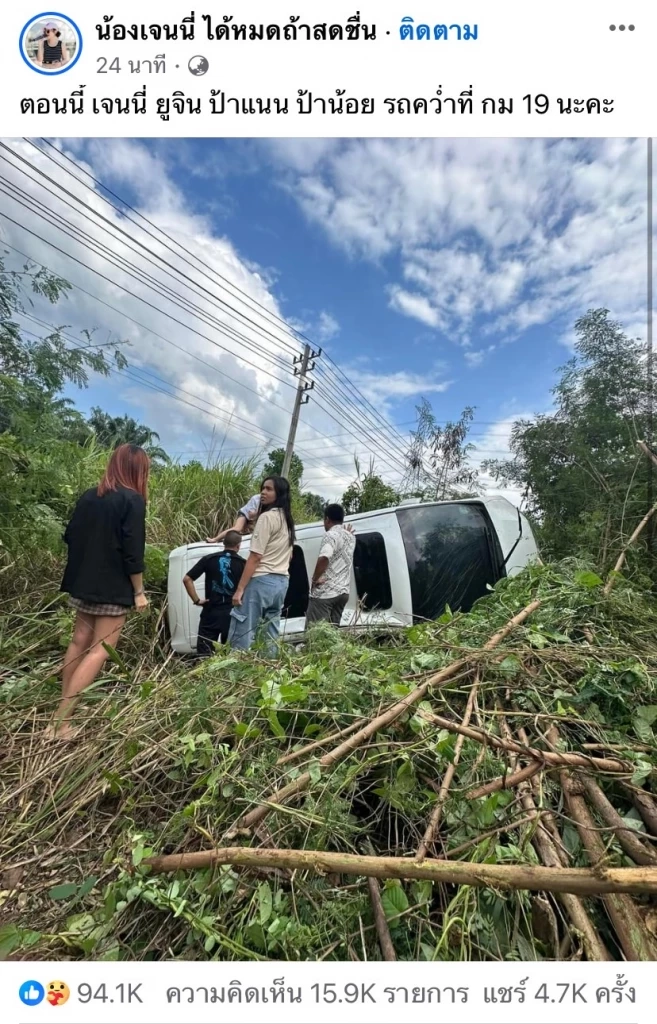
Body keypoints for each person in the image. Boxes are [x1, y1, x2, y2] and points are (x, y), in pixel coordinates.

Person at [48, 444, 150, 741]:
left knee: (79, 641)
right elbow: (133, 552)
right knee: (101, 650)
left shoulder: (90, 495)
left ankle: (61, 713)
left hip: (83, 581)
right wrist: (139, 592)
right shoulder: (132, 500)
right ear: (138, 470)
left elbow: (70, 535)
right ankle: (59, 724)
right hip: (112, 587)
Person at [228, 476, 294, 656]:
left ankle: (234, 669)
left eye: (269, 489)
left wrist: (240, 589)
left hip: (262, 581)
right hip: (281, 583)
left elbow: (256, 556)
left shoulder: (266, 518)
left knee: (242, 627)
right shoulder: (287, 520)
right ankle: (268, 673)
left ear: (279, 493)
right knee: (270, 633)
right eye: (262, 488)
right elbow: (290, 555)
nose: (263, 492)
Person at [183, 530, 245, 656]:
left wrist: (197, 600)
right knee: (231, 654)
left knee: (205, 653)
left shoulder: (209, 559)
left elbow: (187, 579)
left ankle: (205, 673)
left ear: (224, 543)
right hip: (232, 613)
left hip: (211, 611)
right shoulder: (243, 563)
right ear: (238, 546)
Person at [306, 504, 356, 627]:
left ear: (327, 519)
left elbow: (324, 557)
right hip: (343, 593)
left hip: (326, 593)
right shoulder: (351, 537)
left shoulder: (330, 535)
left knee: (315, 633)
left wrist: (314, 579)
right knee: (332, 634)